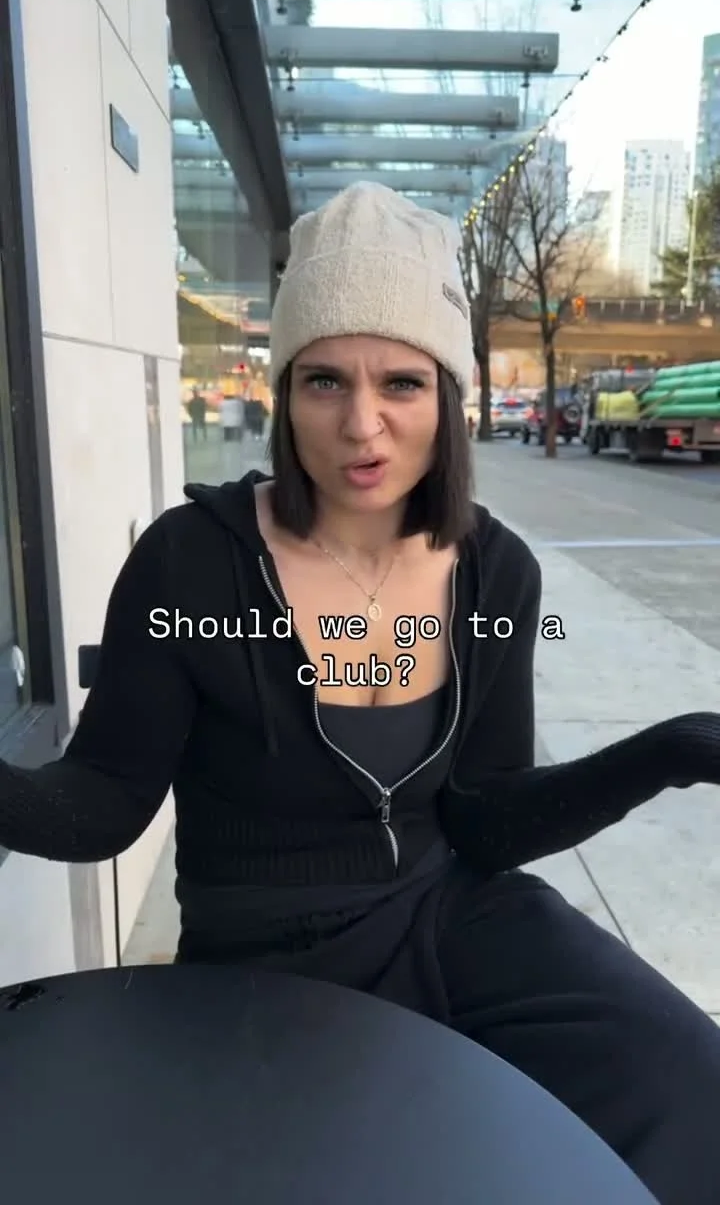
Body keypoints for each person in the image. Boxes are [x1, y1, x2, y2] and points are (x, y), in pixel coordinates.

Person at [1, 181, 719, 1204]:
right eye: (325, 380)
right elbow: (102, 801)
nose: (362, 424)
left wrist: (678, 749)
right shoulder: (189, 563)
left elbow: (486, 815)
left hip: (445, 910)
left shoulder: (496, 570)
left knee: (686, 1078)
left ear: (449, 396)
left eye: (403, 383)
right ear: (286, 391)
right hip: (262, 955)